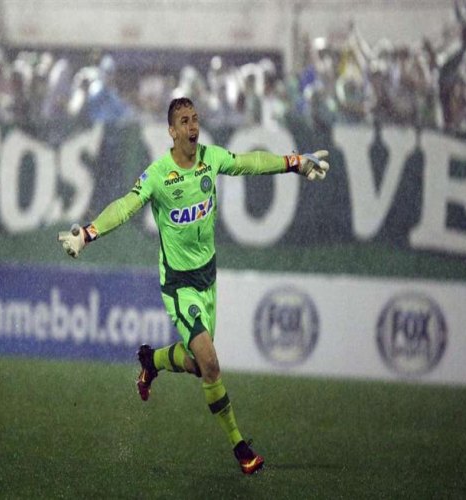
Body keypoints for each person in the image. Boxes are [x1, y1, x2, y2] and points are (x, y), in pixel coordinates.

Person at [58, 97, 330, 474]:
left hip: (208, 278)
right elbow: (124, 206)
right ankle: (240, 447)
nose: (192, 126)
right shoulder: (158, 175)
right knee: (211, 364)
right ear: (171, 131)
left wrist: (294, 162)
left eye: (195, 119)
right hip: (179, 285)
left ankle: (151, 361)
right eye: (184, 121)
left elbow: (249, 163)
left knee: (198, 365)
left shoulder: (210, 158)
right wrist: (87, 234)